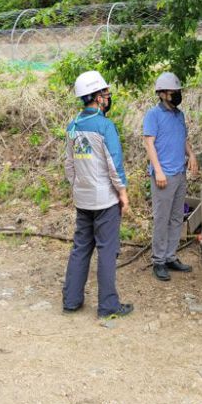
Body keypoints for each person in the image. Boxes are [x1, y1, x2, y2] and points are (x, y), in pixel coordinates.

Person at [62, 70, 134, 318]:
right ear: (96, 96)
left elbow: (69, 165)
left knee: (80, 248)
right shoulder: (105, 126)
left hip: (82, 199)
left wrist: (78, 188)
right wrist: (122, 193)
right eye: (105, 92)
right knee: (107, 251)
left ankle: (71, 300)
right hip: (105, 200)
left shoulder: (73, 126)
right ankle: (108, 306)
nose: (108, 96)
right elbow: (114, 165)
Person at [143, 72, 199, 281]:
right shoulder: (153, 115)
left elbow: (182, 139)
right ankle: (158, 260)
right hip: (163, 175)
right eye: (172, 92)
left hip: (179, 173)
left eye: (178, 91)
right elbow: (149, 143)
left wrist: (191, 154)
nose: (177, 95)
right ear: (162, 93)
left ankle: (170, 256)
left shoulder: (179, 115)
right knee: (162, 218)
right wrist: (158, 170)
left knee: (176, 217)